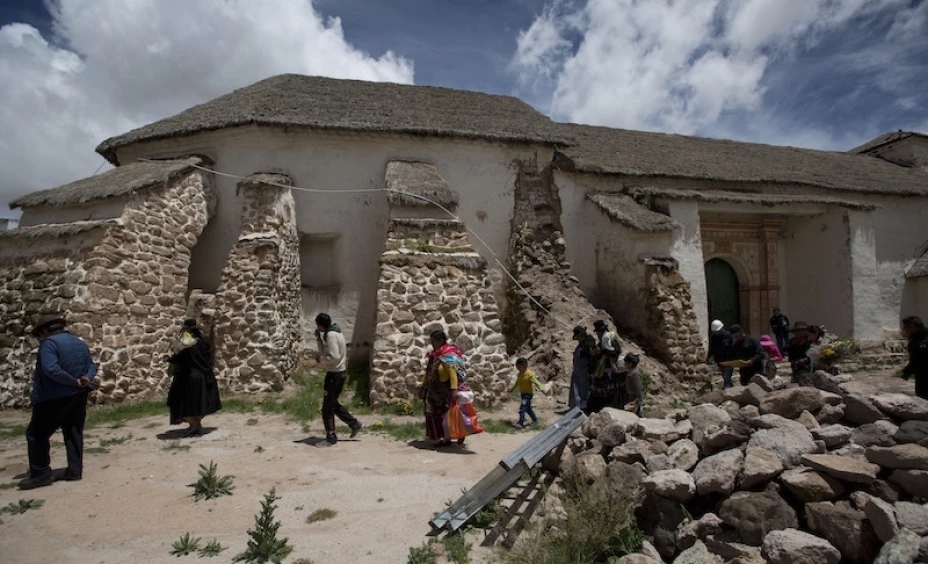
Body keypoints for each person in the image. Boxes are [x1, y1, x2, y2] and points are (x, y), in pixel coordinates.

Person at [20, 313, 96, 490]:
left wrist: (72, 381)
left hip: (53, 396)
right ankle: (75, 470)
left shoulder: (49, 344)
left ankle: (40, 473)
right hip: (78, 395)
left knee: (36, 433)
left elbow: (51, 369)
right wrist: (86, 378)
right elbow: (91, 365)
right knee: (73, 431)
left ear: (46, 330)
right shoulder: (79, 342)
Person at [167, 319, 221, 437]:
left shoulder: (187, 345)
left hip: (189, 378)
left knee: (182, 403)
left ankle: (193, 425)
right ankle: (197, 424)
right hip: (204, 377)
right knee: (198, 403)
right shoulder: (204, 343)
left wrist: (171, 359)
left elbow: (181, 359)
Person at [314, 313, 361, 446]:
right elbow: (327, 351)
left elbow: (333, 356)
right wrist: (318, 340)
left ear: (320, 325)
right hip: (339, 373)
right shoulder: (334, 333)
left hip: (334, 375)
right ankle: (354, 424)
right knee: (332, 404)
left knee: (327, 408)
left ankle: (331, 436)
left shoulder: (331, 335)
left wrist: (321, 360)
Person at [420, 329, 468, 447]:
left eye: (433, 341)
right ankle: (444, 437)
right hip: (433, 390)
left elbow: (452, 373)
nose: (432, 344)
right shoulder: (434, 355)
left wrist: (454, 390)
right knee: (433, 414)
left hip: (445, 391)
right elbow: (428, 372)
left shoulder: (448, 355)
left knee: (448, 415)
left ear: (441, 341)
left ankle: (457, 434)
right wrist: (422, 386)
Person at [589, 320, 622, 411]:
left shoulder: (610, 340)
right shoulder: (602, 342)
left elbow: (616, 352)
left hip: (609, 374)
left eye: (598, 332)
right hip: (601, 374)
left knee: (608, 396)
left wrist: (602, 352)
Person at [569, 325, 596, 413]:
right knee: (576, 391)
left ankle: (582, 409)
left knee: (584, 392)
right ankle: (576, 409)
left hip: (584, 371)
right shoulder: (581, 345)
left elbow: (591, 357)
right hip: (577, 371)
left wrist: (590, 371)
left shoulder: (588, 344)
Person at [511, 358, 543, 428]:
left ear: (525, 366)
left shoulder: (529, 375)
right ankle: (535, 420)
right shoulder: (519, 374)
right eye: (517, 367)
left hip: (528, 395)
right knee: (528, 409)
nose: (518, 368)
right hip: (523, 394)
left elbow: (537, 383)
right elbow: (517, 383)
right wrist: (512, 389)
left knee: (522, 408)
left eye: (519, 367)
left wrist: (542, 389)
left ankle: (520, 423)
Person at [902, 316, 928, 399]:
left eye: (905, 327)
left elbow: (918, 359)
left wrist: (908, 370)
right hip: (920, 376)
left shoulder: (924, 339)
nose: (904, 330)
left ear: (912, 327)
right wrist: (908, 370)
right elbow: (915, 359)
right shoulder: (914, 338)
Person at [706, 319, 734, 389]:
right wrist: (708, 357)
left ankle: (727, 389)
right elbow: (711, 348)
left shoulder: (728, 335)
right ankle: (730, 387)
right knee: (725, 376)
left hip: (728, 359)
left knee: (727, 376)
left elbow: (732, 346)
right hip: (719, 359)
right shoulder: (714, 337)